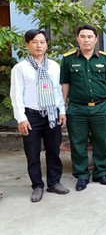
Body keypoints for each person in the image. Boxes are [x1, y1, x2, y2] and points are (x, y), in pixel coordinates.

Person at [10, 29, 69, 202]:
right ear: (27, 44)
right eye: (34, 42)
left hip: (51, 113)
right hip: (31, 116)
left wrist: (62, 111)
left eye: (42, 42)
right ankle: (37, 186)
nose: (39, 45)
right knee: (33, 153)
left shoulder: (54, 66)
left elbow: (58, 91)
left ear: (47, 44)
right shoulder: (20, 68)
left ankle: (54, 182)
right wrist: (21, 118)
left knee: (53, 150)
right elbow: (16, 95)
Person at [60, 25, 106, 191]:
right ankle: (82, 175)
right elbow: (65, 83)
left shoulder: (105, 59)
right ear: (77, 39)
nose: (86, 40)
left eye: (90, 36)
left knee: (101, 141)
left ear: (96, 39)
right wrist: (62, 108)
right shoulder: (68, 59)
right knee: (78, 143)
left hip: (100, 107)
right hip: (77, 109)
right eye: (83, 36)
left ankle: (100, 172)